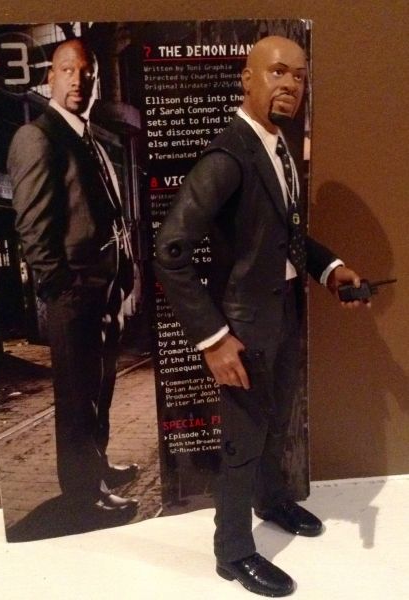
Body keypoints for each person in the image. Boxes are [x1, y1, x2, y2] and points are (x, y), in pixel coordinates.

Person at [155, 35, 367, 596]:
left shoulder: (276, 148)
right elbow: (170, 251)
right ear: (247, 79)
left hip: (281, 317)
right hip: (243, 331)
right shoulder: (228, 157)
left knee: (276, 422)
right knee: (242, 441)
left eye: (299, 75)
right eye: (277, 72)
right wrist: (213, 338)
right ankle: (232, 551)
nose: (290, 84)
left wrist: (331, 270)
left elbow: (286, 235)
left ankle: (271, 500)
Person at [7, 38, 139, 514]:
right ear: (50, 78)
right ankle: (83, 494)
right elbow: (33, 227)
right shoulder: (38, 137)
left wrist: (124, 276)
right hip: (76, 296)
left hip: (106, 293)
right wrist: (62, 290)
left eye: (86, 73)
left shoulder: (89, 138)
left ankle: (97, 468)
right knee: (78, 398)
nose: (78, 80)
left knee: (100, 390)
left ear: (95, 80)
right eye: (67, 70)